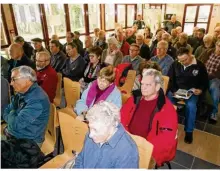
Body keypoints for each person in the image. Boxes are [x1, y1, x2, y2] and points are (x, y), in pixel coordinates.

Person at [120, 69, 178, 167]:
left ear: (157, 87)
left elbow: (166, 141)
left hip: (146, 149)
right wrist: (125, 139)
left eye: (148, 85)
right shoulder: (135, 98)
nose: (143, 88)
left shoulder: (166, 109)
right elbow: (122, 117)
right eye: (142, 84)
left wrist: (142, 149)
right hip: (127, 140)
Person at [74, 101, 139, 168]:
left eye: (95, 130)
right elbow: (81, 159)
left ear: (111, 127)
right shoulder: (91, 136)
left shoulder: (127, 151)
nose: (90, 134)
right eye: (90, 127)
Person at [167, 47, 209, 144]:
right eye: (180, 61)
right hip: (176, 91)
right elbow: (170, 79)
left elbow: (205, 81)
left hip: (191, 92)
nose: (183, 63)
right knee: (168, 104)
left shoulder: (199, 65)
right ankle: (169, 126)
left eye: (185, 60)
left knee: (191, 106)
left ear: (190, 54)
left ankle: (189, 131)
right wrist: (173, 91)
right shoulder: (175, 64)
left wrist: (200, 90)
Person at [2, 66, 50, 147]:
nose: (11, 83)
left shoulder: (37, 100)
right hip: (16, 134)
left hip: (28, 142)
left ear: (27, 80)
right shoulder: (22, 92)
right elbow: (5, 110)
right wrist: (12, 115)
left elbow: (16, 124)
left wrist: (12, 112)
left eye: (14, 79)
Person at [201, 40, 220, 122]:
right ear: (216, 45)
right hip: (202, 75)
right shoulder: (208, 51)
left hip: (214, 78)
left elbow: (218, 73)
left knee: (215, 89)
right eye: (219, 46)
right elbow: (199, 61)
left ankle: (214, 112)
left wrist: (208, 77)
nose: (219, 48)